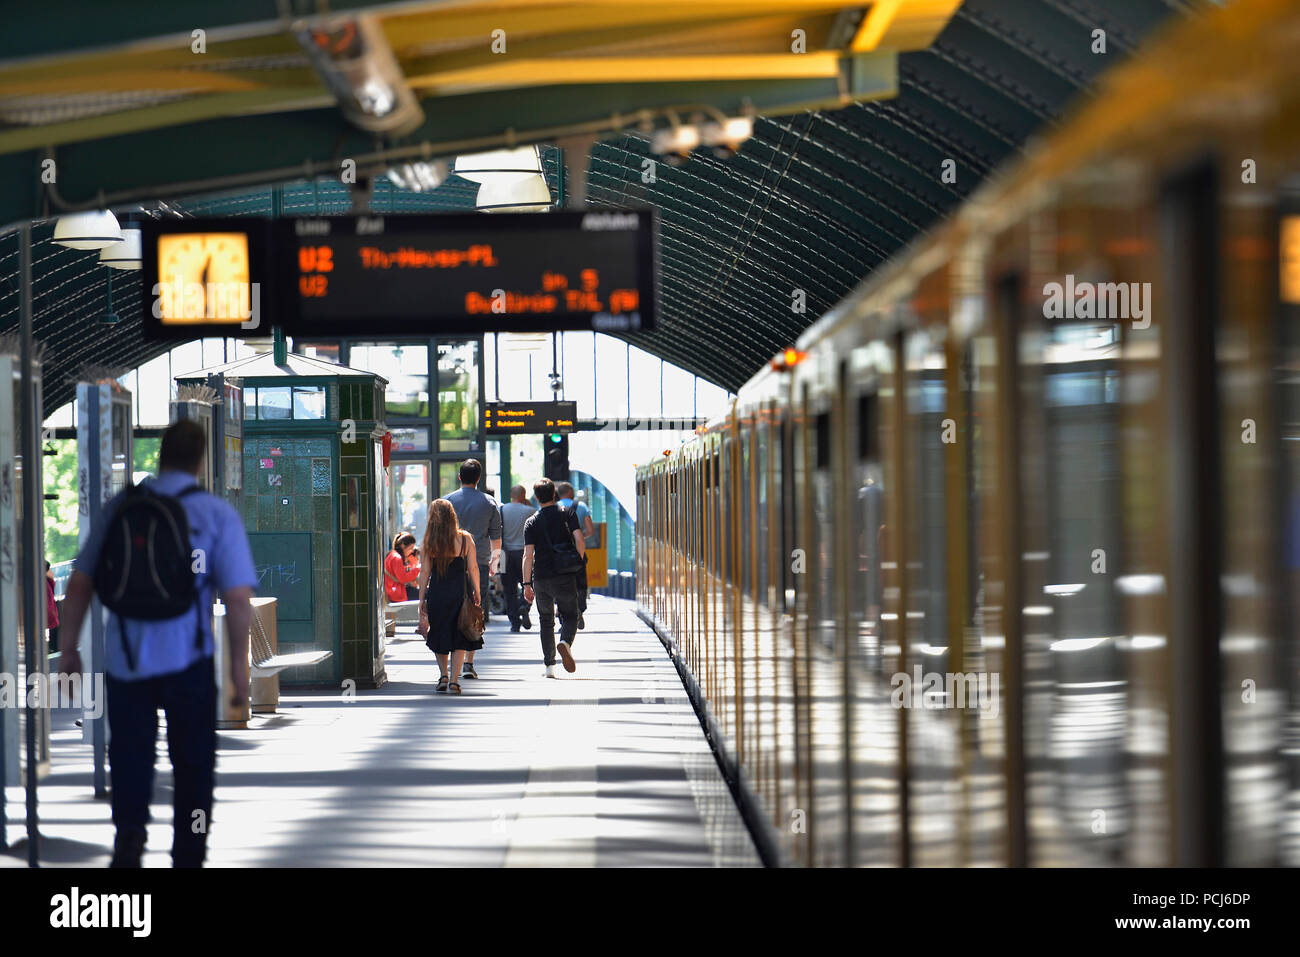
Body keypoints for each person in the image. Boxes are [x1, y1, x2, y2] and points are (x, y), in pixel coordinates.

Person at [57, 420, 257, 868]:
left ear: (161, 455)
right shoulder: (214, 514)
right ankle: (190, 851)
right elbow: (238, 600)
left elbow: (81, 583)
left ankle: (129, 839)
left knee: (130, 757)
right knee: (193, 767)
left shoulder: (120, 509)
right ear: (200, 460)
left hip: (127, 660)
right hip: (190, 661)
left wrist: (69, 650)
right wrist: (239, 677)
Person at [417, 498, 483, 695]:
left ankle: (443, 676)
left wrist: (422, 598)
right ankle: (454, 681)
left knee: (439, 632)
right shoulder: (465, 539)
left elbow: (425, 573)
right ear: (452, 516)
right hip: (460, 595)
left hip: (437, 594)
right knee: (459, 635)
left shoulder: (429, 542)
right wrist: (477, 591)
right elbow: (473, 568)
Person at [522, 478, 585, 678]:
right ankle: (565, 642)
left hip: (541, 576)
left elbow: (528, 555)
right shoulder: (567, 513)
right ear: (553, 494)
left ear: (537, 498)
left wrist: (526, 584)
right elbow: (580, 539)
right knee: (571, 615)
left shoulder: (531, 521)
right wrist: (578, 560)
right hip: (564, 574)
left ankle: (549, 667)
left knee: (546, 620)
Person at [445, 459, 502, 680]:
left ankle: (452, 660)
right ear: (479, 478)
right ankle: (468, 662)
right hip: (478, 563)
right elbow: (496, 539)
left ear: (460, 477)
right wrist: (494, 565)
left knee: (451, 609)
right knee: (474, 611)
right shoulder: (489, 503)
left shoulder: (447, 501)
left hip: (450, 563)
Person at [555, 481, 595, 630]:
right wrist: (579, 537)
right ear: (571, 493)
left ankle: (563, 614)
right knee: (580, 583)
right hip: (577, 552)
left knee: (561, 585)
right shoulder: (582, 507)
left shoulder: (554, 507)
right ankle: (579, 609)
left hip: (558, 554)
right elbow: (590, 530)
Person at [500, 485, 536, 633]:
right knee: (528, 583)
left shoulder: (501, 509)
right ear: (524, 495)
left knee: (509, 590)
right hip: (523, 553)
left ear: (511, 495)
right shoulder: (530, 510)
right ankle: (524, 605)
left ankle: (514, 623)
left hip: (503, 554)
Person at [383, 532, 421, 602]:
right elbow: (403, 578)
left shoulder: (392, 554)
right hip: (398, 592)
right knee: (426, 594)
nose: (412, 551)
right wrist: (418, 569)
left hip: (394, 590)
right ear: (403, 546)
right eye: (411, 548)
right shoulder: (397, 558)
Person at [45, 560, 59, 657]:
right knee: (53, 627)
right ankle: (53, 647)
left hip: (49, 609)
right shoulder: (47, 580)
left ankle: (52, 647)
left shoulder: (43, 581)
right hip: (51, 610)